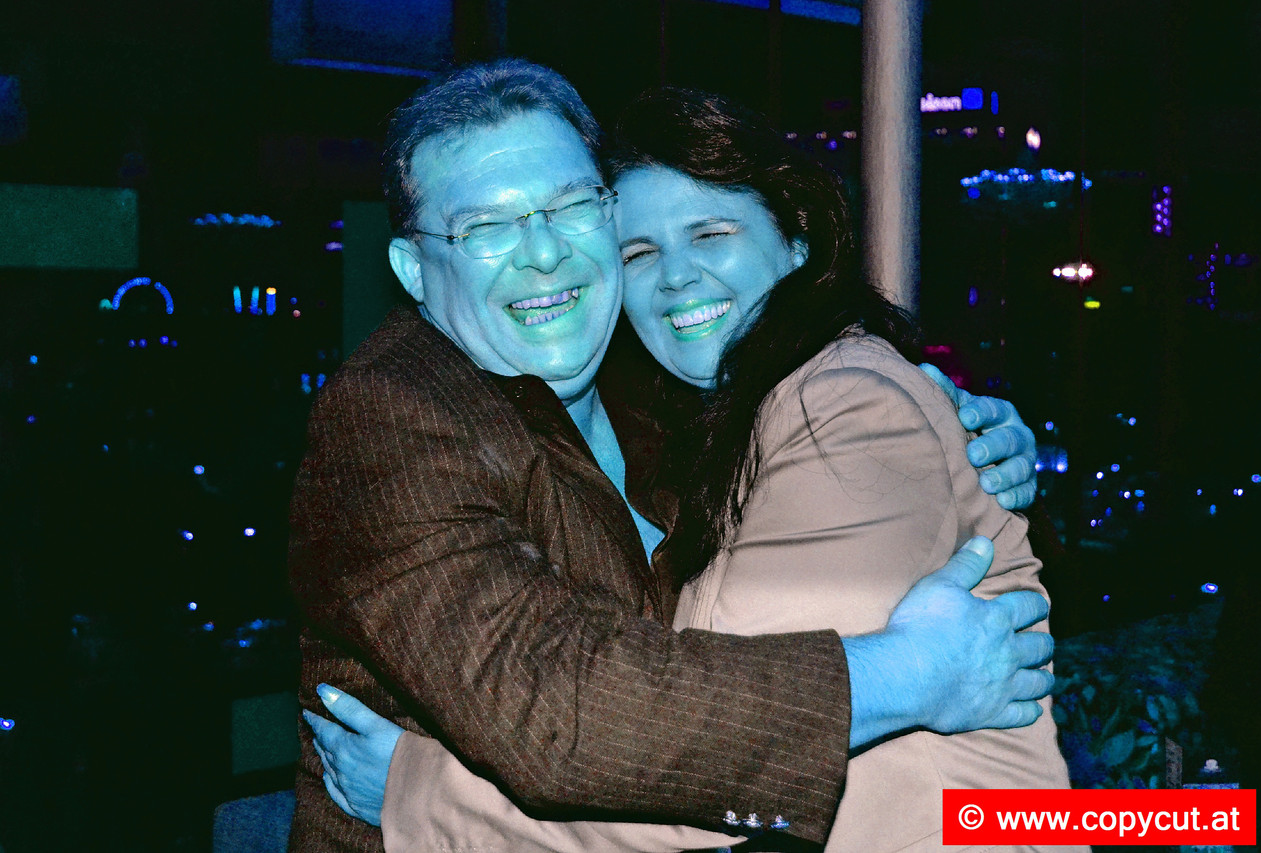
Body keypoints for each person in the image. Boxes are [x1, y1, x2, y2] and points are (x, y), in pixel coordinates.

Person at [290, 59, 1051, 853]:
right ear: (414, 270)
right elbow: (561, 711)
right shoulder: (391, 410)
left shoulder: (670, 385)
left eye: (570, 206)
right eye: (486, 227)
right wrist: (912, 675)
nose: (544, 252)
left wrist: (964, 437)